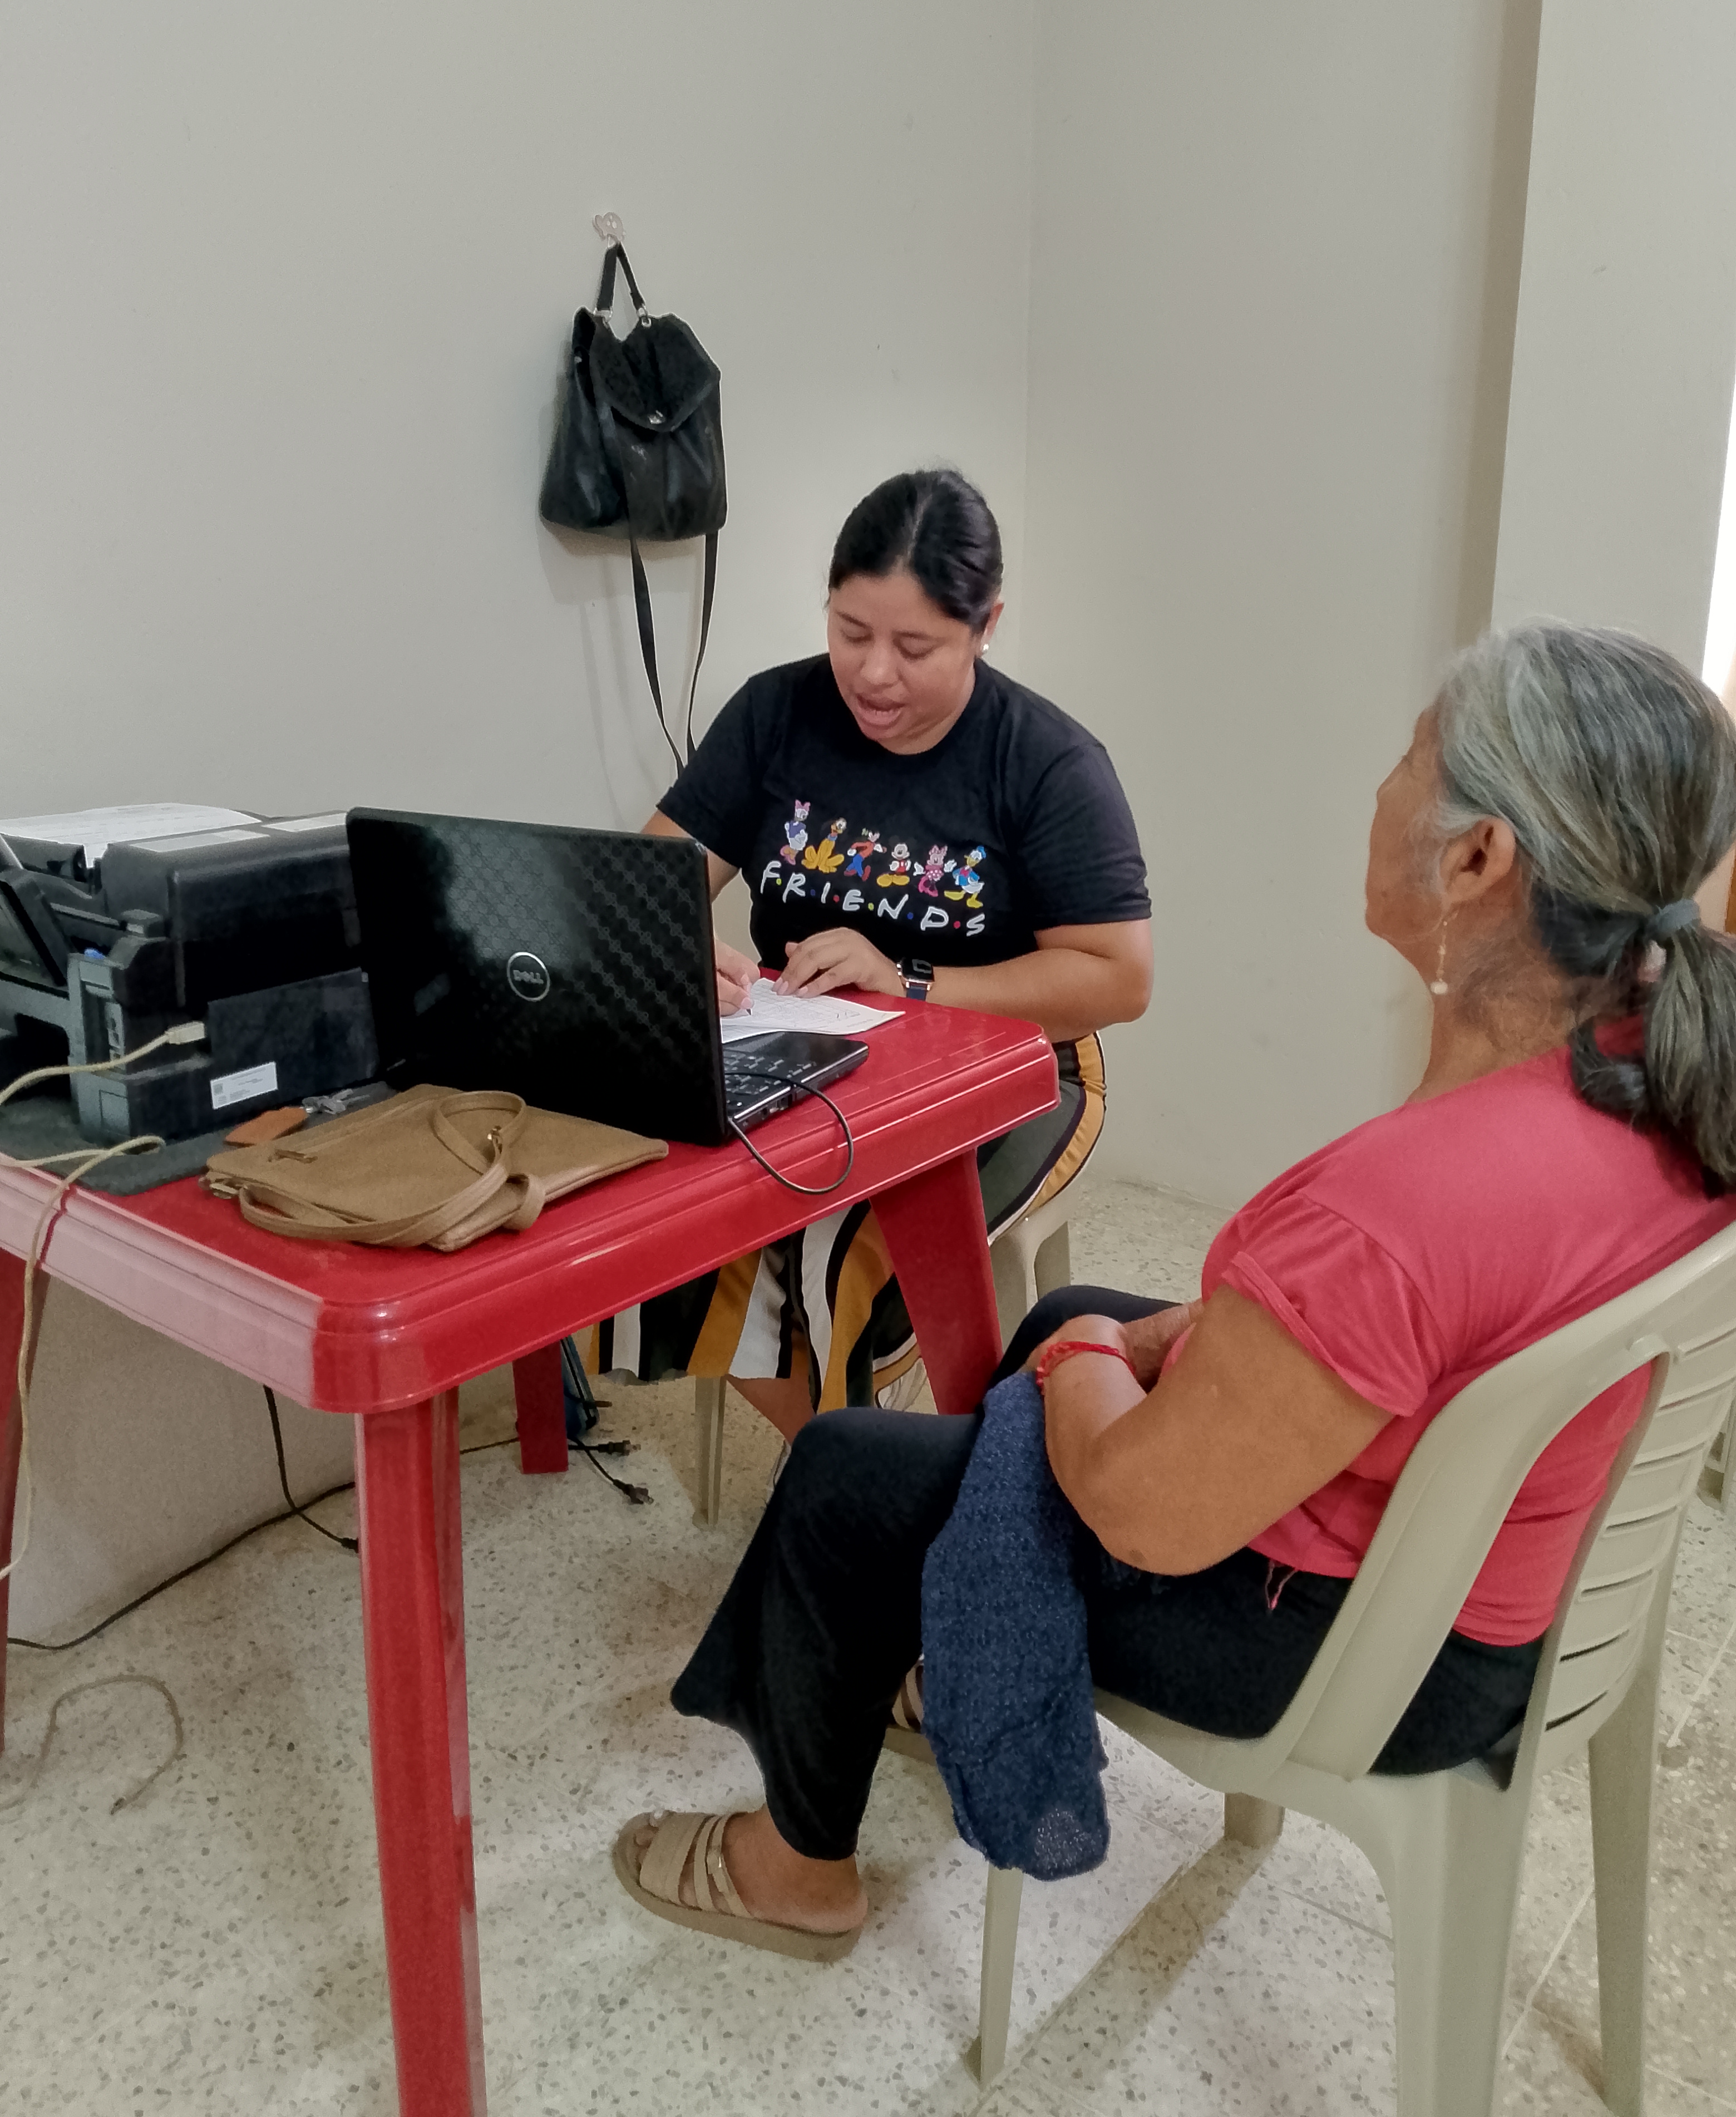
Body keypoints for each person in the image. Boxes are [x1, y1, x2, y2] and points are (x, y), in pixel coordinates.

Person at [613, 621, 1736, 1957]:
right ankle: (941, 1651)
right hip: (1475, 1577)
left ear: (1479, 859)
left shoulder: (1398, 1210)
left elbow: (1143, 1514)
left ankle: (796, 1867)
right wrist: (1119, 1341)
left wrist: (1092, 1352)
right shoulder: (1662, 1080)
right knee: (1043, 1322)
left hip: (1361, 1650)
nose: (1384, 786)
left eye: (1412, 757)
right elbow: (1418, 1326)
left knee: (850, 1474)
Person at [621, 469, 1152, 1439]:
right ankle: (840, 1467)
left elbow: (1118, 977)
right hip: (802, 1056)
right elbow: (643, 886)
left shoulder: (1045, 762)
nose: (872, 674)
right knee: (656, 1214)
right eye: (850, 632)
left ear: (986, 625)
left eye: (915, 648)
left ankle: (877, 1478)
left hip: (1012, 1073)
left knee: (836, 1256)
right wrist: (675, 949)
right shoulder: (777, 714)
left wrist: (912, 980)